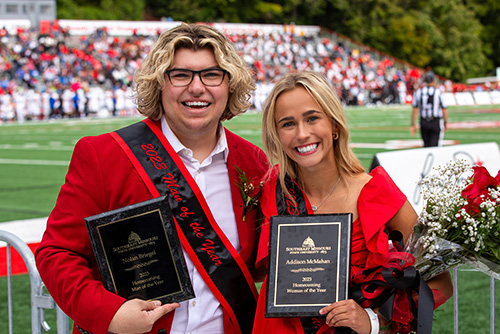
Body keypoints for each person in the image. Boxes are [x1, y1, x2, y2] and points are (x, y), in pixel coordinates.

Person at [35, 23, 269, 334]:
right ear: (159, 83)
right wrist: (109, 314)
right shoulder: (104, 154)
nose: (197, 88)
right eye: (180, 75)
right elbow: (57, 254)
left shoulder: (252, 162)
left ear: (230, 84)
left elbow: (255, 263)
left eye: (212, 75)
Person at [253, 71, 453, 334]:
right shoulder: (270, 189)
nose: (302, 133)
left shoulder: (376, 192)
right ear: (276, 133)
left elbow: (440, 282)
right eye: (288, 124)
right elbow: (253, 270)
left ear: (334, 125)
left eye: (312, 118)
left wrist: (373, 320)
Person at [410, 71, 449, 147]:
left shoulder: (419, 92)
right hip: (435, 121)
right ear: (434, 80)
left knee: (426, 145)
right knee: (434, 146)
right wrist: (445, 121)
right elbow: (444, 108)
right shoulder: (438, 92)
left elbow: (415, 109)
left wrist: (413, 123)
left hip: (423, 121)